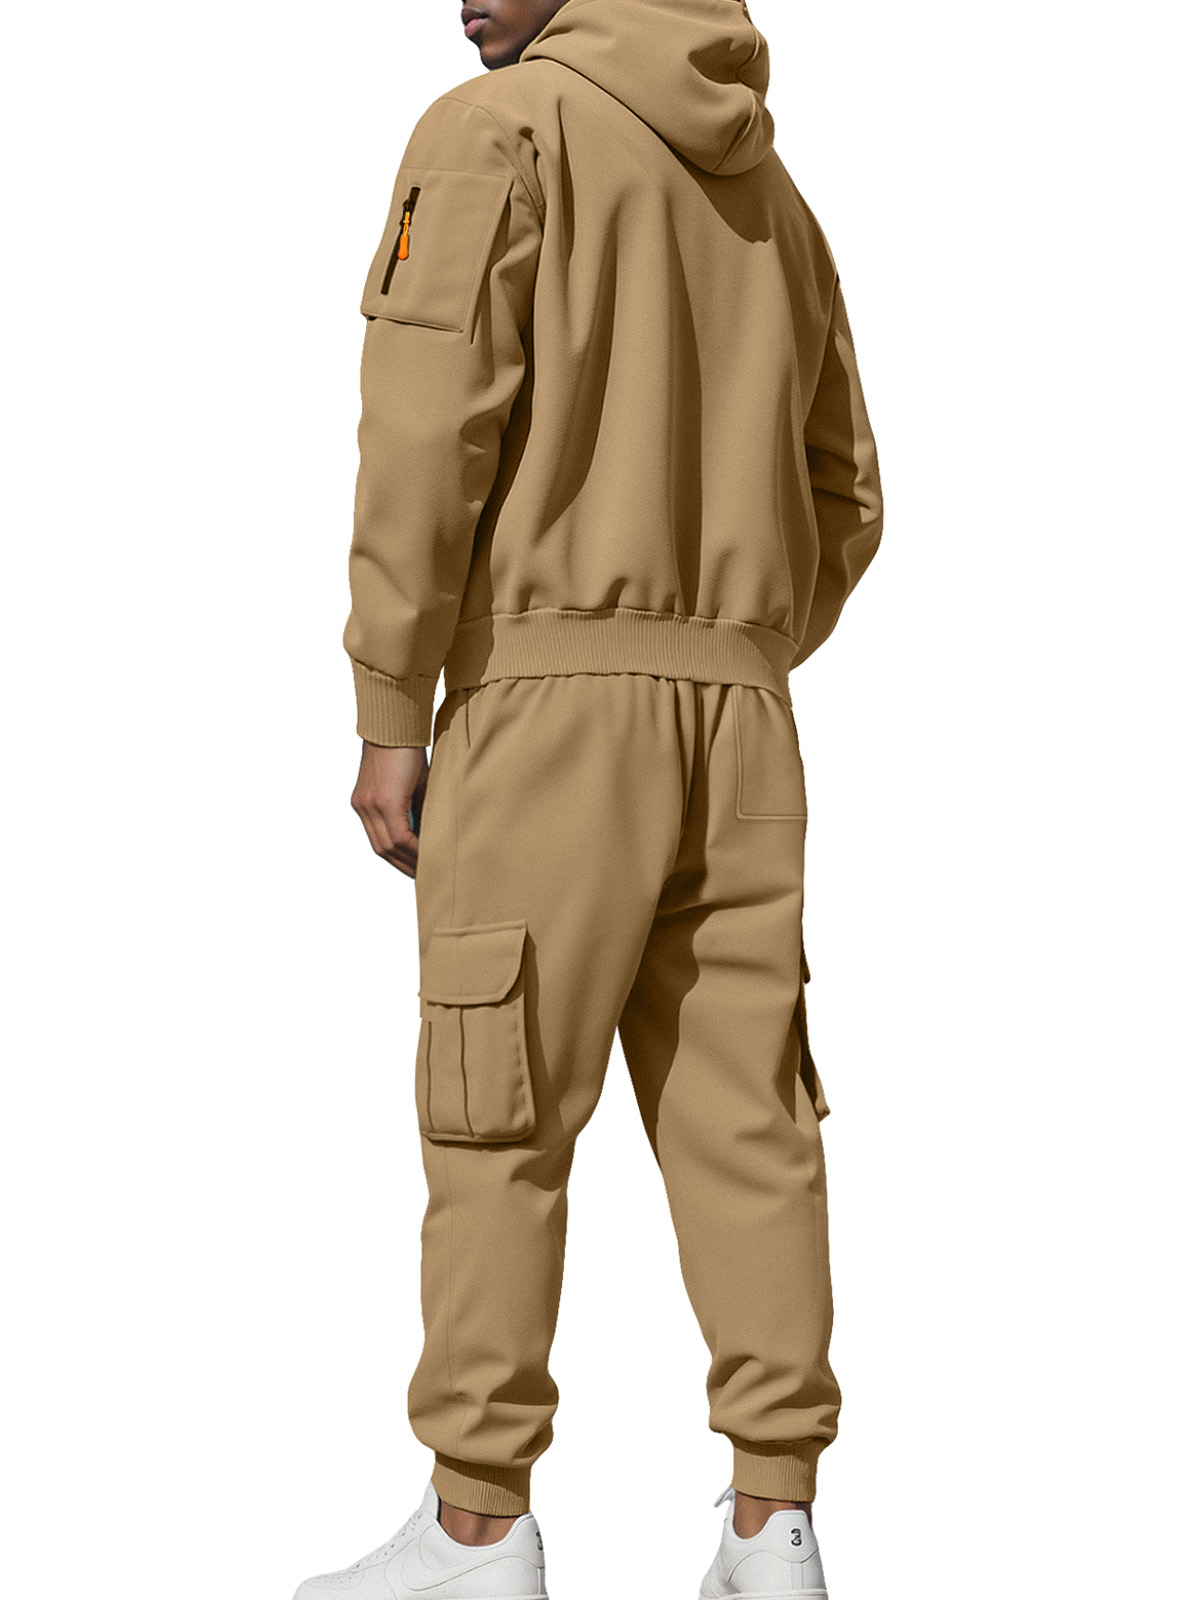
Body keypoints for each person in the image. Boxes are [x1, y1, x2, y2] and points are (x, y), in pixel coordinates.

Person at [296, 0, 882, 1594]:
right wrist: (731, 645)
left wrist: (392, 704)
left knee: (496, 1107)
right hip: (745, 722)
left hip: (547, 702)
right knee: (749, 1114)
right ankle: (774, 1524)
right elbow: (847, 491)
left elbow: (425, 434)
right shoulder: (772, 191)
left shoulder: (493, 131)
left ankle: (478, 1528)